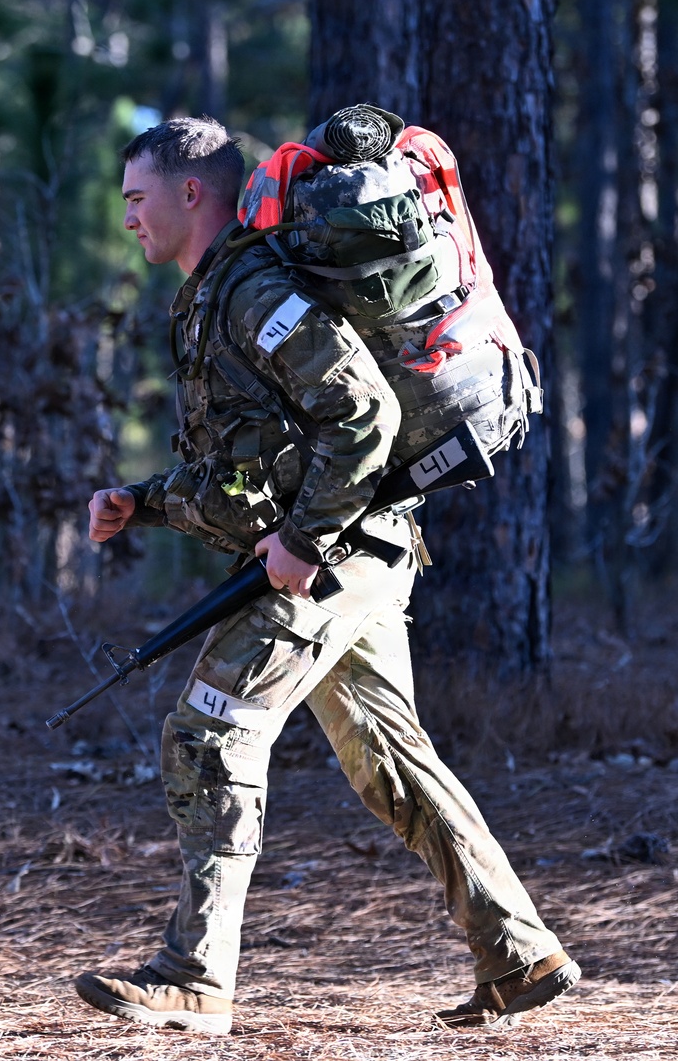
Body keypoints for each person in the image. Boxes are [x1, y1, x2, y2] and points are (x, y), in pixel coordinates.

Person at [75, 115, 580, 1035]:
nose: (128, 220)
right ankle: (519, 953)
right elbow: (248, 464)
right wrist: (141, 503)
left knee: (210, 732)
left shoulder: (252, 289)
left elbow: (363, 412)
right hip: (362, 550)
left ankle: (193, 976)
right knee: (391, 758)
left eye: (137, 199)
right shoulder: (215, 292)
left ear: (191, 192)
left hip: (333, 558)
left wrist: (304, 543)